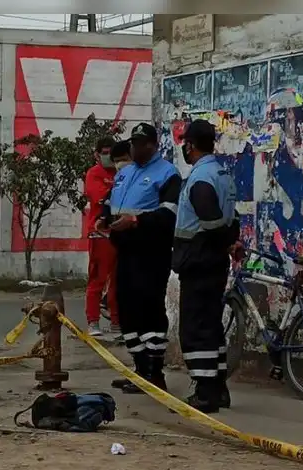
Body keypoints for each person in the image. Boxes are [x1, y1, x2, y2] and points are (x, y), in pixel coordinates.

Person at [100, 123, 181, 393]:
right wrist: (104, 217)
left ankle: (154, 373)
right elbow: (111, 202)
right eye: (132, 143)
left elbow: (169, 214)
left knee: (150, 311)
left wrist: (136, 221)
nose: (133, 148)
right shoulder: (126, 174)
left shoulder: (168, 174)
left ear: (152, 145)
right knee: (126, 309)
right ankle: (139, 368)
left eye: (139, 143)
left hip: (151, 252)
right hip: (124, 250)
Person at [173, 119, 240, 412]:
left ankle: (205, 392)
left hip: (199, 260)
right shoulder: (222, 173)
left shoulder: (201, 178)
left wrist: (224, 241)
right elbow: (231, 218)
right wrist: (230, 242)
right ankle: (218, 388)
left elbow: (211, 221)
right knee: (211, 326)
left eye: (185, 144)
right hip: (213, 261)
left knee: (195, 329)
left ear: (190, 145)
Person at [83, 138, 120, 337]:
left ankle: (116, 322)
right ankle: (93, 321)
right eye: (104, 152)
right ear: (97, 154)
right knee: (97, 279)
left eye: (111, 152)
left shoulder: (121, 173)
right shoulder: (94, 174)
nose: (108, 156)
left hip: (118, 233)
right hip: (99, 234)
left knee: (117, 280)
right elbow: (101, 197)